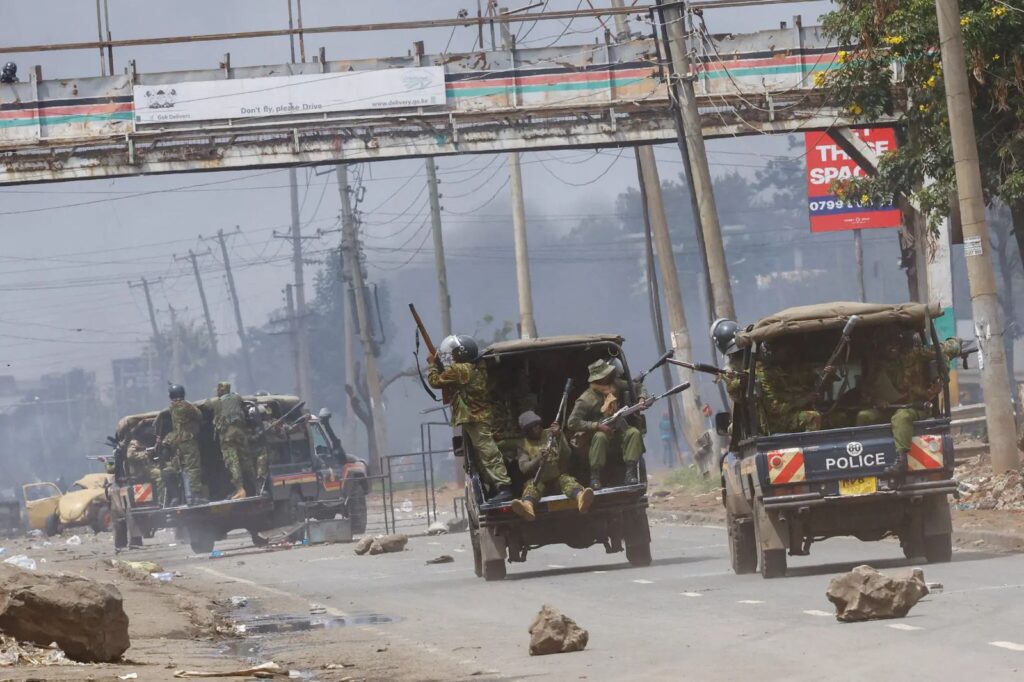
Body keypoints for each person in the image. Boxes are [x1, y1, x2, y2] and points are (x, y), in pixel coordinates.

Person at [856, 330, 962, 479]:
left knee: (901, 417)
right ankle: (864, 459)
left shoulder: (916, 354)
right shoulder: (878, 366)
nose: (891, 348)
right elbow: (866, 391)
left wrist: (940, 379)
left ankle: (901, 461)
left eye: (895, 343)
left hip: (917, 407)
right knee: (864, 416)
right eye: (887, 344)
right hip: (889, 408)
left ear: (901, 344)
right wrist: (876, 401)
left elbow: (947, 349)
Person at [427, 334, 514, 503]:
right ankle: (495, 488)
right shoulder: (476, 366)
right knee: (482, 454)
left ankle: (504, 487)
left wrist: (432, 365)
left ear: (462, 353)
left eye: (455, 353)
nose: (452, 356)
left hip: (474, 417)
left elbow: (435, 381)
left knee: (488, 452)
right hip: (477, 415)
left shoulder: (461, 370)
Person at [567, 358, 646, 490]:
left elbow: (637, 386)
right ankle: (595, 477)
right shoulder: (586, 398)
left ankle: (630, 473)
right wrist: (596, 426)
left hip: (619, 428)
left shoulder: (615, 385)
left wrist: (642, 398)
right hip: (597, 435)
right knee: (600, 437)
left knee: (634, 433)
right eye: (605, 375)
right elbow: (572, 422)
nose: (610, 376)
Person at [510, 411, 593, 521]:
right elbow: (524, 468)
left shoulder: (552, 434)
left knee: (567, 481)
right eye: (532, 428)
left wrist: (559, 437)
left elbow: (567, 454)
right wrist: (539, 458)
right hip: (538, 480)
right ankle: (527, 507)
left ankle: (581, 498)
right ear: (527, 431)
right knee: (531, 487)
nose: (537, 429)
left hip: (557, 477)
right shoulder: (523, 445)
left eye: (538, 425)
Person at [212, 381, 255, 500]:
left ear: (220, 391)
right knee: (246, 460)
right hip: (241, 433)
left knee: (232, 461)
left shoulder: (218, 402)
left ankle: (240, 490)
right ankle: (256, 486)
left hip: (228, 435)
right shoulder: (237, 397)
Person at [162, 384, 205, 504]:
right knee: (193, 468)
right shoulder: (186, 406)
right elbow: (199, 415)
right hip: (188, 440)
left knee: (184, 469)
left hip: (178, 443)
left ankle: (188, 497)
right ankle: (196, 496)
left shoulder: (172, 407)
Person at [126, 422, 163, 499]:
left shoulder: (143, 441)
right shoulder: (134, 442)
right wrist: (145, 454)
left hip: (146, 468)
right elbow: (130, 455)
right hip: (140, 471)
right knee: (160, 475)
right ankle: (161, 499)